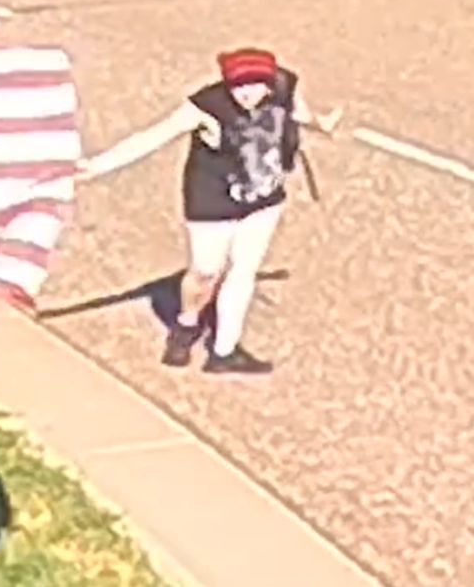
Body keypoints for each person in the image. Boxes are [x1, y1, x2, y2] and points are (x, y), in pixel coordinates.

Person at [79, 47, 342, 374]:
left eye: (255, 84)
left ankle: (224, 351)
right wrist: (97, 167)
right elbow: (151, 138)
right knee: (205, 272)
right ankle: (186, 324)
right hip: (212, 202)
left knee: (243, 270)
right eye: (238, 86)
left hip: (264, 199)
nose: (246, 93)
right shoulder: (206, 106)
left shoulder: (283, 87)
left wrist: (323, 125)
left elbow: (298, 113)